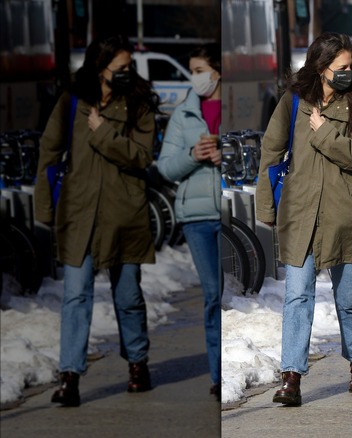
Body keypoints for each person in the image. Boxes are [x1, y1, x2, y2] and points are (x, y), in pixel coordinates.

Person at [255, 32, 352, 406]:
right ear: (320, 67)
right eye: (342, 67)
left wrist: (324, 132)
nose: (349, 72)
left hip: (346, 214)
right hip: (301, 213)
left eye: (351, 66)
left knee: (350, 295)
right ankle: (290, 376)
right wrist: (266, 207)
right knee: (297, 295)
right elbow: (271, 153)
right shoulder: (293, 101)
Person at [34, 34, 159, 407]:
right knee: (75, 296)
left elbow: (141, 156)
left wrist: (102, 131)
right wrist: (44, 211)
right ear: (98, 67)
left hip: (124, 215)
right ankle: (69, 376)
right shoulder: (71, 102)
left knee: (128, 296)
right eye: (119, 68)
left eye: (128, 67)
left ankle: (138, 363)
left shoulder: (138, 104)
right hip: (79, 215)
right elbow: (49, 154)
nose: (126, 73)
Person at [157, 43, 222, 399]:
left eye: (200, 70)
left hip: (229, 213)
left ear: (217, 71)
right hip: (197, 215)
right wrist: (193, 155)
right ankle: (218, 374)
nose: (194, 77)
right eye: (192, 71)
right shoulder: (183, 113)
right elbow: (165, 167)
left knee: (228, 296)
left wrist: (224, 155)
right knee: (212, 295)